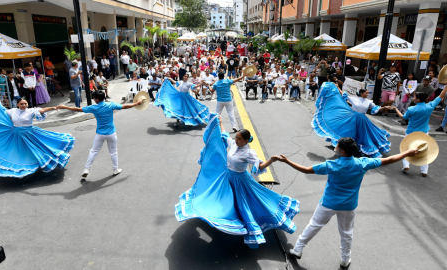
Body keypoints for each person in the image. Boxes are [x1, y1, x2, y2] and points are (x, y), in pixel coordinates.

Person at [280, 137, 418, 268]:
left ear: (343, 151)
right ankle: (345, 260)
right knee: (346, 233)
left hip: (328, 203)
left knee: (314, 225)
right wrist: (407, 152)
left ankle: (298, 249)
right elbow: (389, 159)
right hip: (349, 206)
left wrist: (287, 161)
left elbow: (306, 170)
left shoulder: (331, 165)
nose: (335, 147)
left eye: (337, 146)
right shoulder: (362, 163)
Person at [175, 114, 300, 248]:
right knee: (223, 200)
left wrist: (271, 160)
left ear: (246, 141)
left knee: (244, 204)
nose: (236, 140)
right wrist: (221, 122)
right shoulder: (234, 145)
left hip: (240, 181)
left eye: (239, 139)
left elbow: (259, 166)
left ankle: (248, 227)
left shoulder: (249, 153)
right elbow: (225, 135)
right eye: (236, 137)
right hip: (227, 177)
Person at [0, 90, 74, 178]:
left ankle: (47, 163)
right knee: (19, 153)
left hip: (30, 134)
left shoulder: (31, 111)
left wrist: (53, 107)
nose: (24, 105)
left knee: (40, 148)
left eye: (25, 104)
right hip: (16, 135)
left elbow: (41, 110)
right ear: (18, 104)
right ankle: (24, 167)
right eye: (21, 104)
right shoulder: (13, 111)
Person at [57, 90, 142, 178]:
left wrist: (65, 107)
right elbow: (125, 106)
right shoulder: (110, 105)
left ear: (97, 99)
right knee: (113, 152)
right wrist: (136, 103)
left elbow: (78, 109)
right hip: (111, 133)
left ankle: (87, 169)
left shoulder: (94, 107)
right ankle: (115, 169)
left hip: (100, 134)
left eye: (94, 98)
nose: (93, 99)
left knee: (93, 151)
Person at [312, 82, 391, 158]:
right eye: (366, 93)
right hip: (353, 118)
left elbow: (376, 108)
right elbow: (343, 94)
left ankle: (360, 149)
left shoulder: (369, 102)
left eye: (367, 93)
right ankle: (343, 146)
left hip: (363, 120)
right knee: (349, 132)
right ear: (361, 93)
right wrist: (338, 87)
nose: (367, 94)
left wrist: (384, 107)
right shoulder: (354, 99)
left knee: (364, 135)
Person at [391, 78, 447, 176]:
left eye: (415, 96)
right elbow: (441, 95)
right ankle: (424, 170)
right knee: (424, 151)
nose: (413, 97)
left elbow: (404, 118)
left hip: (411, 131)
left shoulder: (411, 108)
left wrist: (396, 109)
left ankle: (406, 165)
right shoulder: (430, 106)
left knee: (406, 148)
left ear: (418, 99)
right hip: (424, 132)